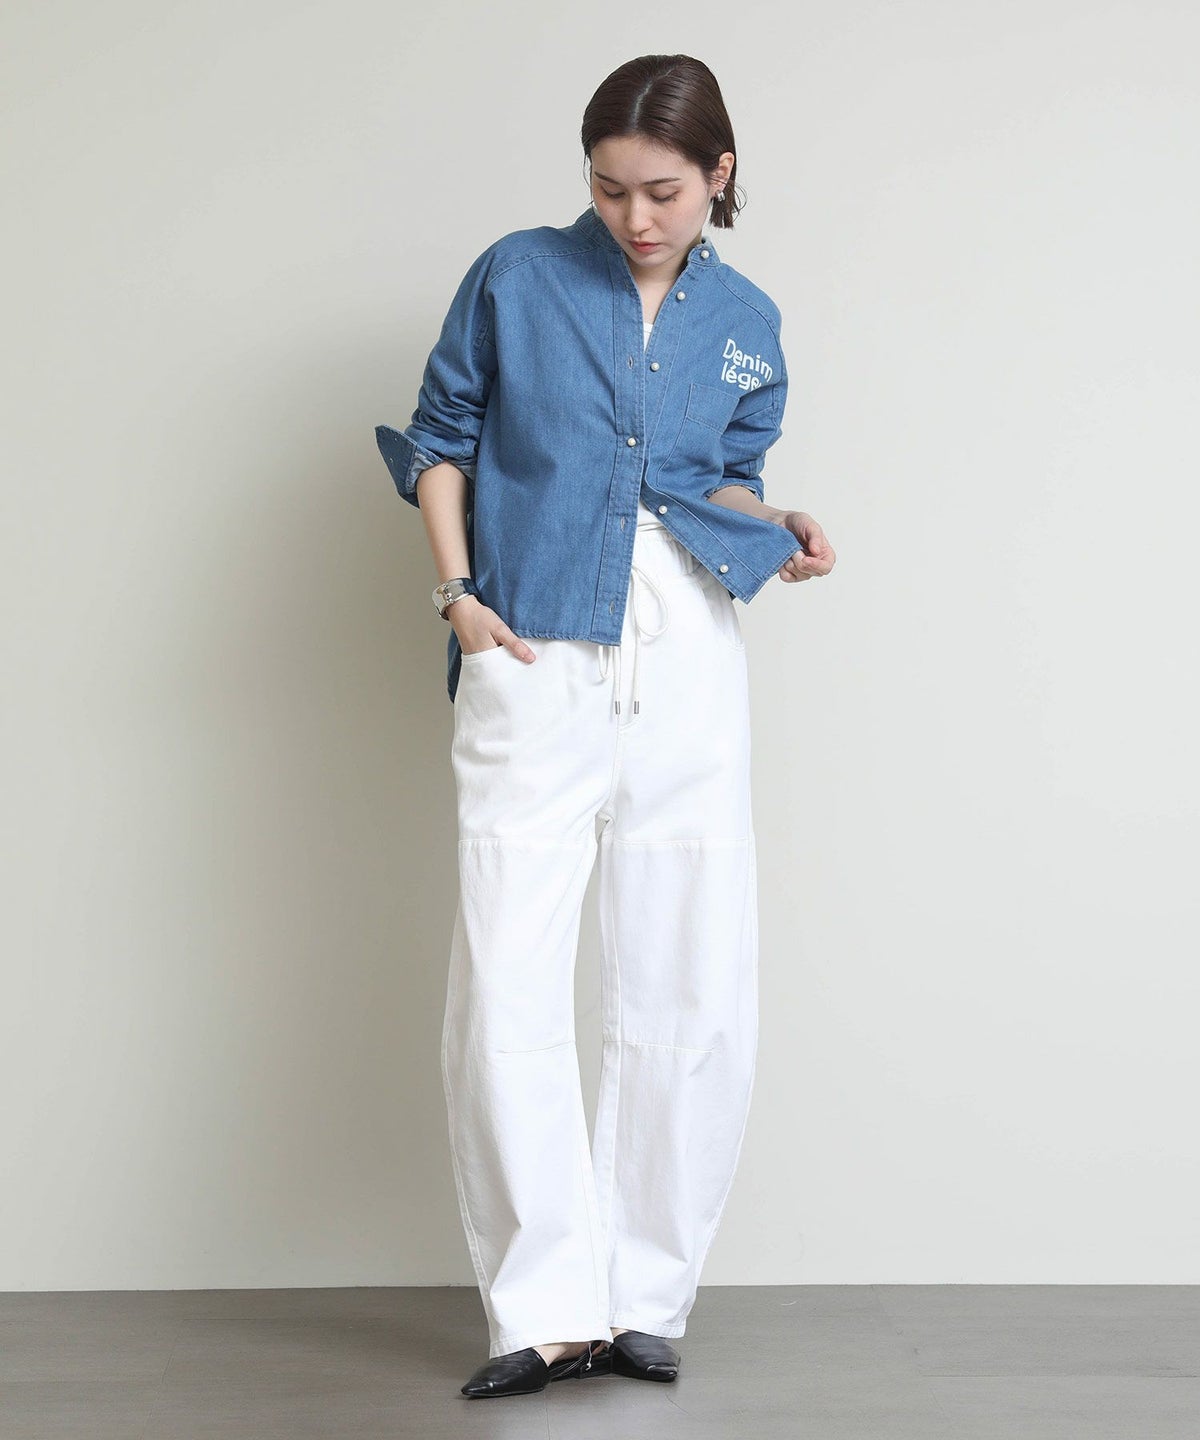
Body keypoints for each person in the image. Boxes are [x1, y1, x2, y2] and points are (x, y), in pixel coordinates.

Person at [375, 53, 836, 1401]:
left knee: (688, 968)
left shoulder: (746, 318)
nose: (636, 216)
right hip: (532, 638)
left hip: (687, 646)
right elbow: (441, 439)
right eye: (611, 188)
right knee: (509, 975)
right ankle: (544, 1310)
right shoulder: (518, 276)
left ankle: (643, 1296)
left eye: (665, 192)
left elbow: (723, 482)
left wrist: (782, 522)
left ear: (719, 176)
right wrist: (459, 599)